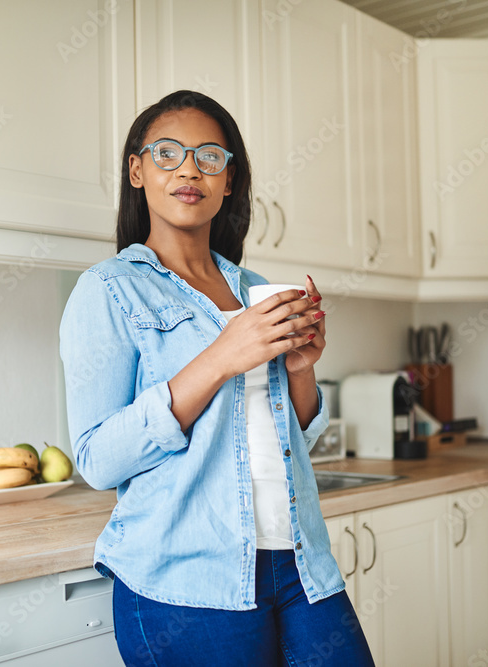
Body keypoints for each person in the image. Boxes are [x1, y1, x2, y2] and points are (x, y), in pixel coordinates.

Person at [60, 90, 374, 666]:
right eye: (168, 153)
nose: (189, 169)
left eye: (210, 157)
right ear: (137, 170)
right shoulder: (109, 289)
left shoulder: (255, 287)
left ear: (228, 181)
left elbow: (291, 440)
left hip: (300, 562)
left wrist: (302, 371)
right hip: (186, 581)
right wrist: (221, 356)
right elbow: (98, 459)